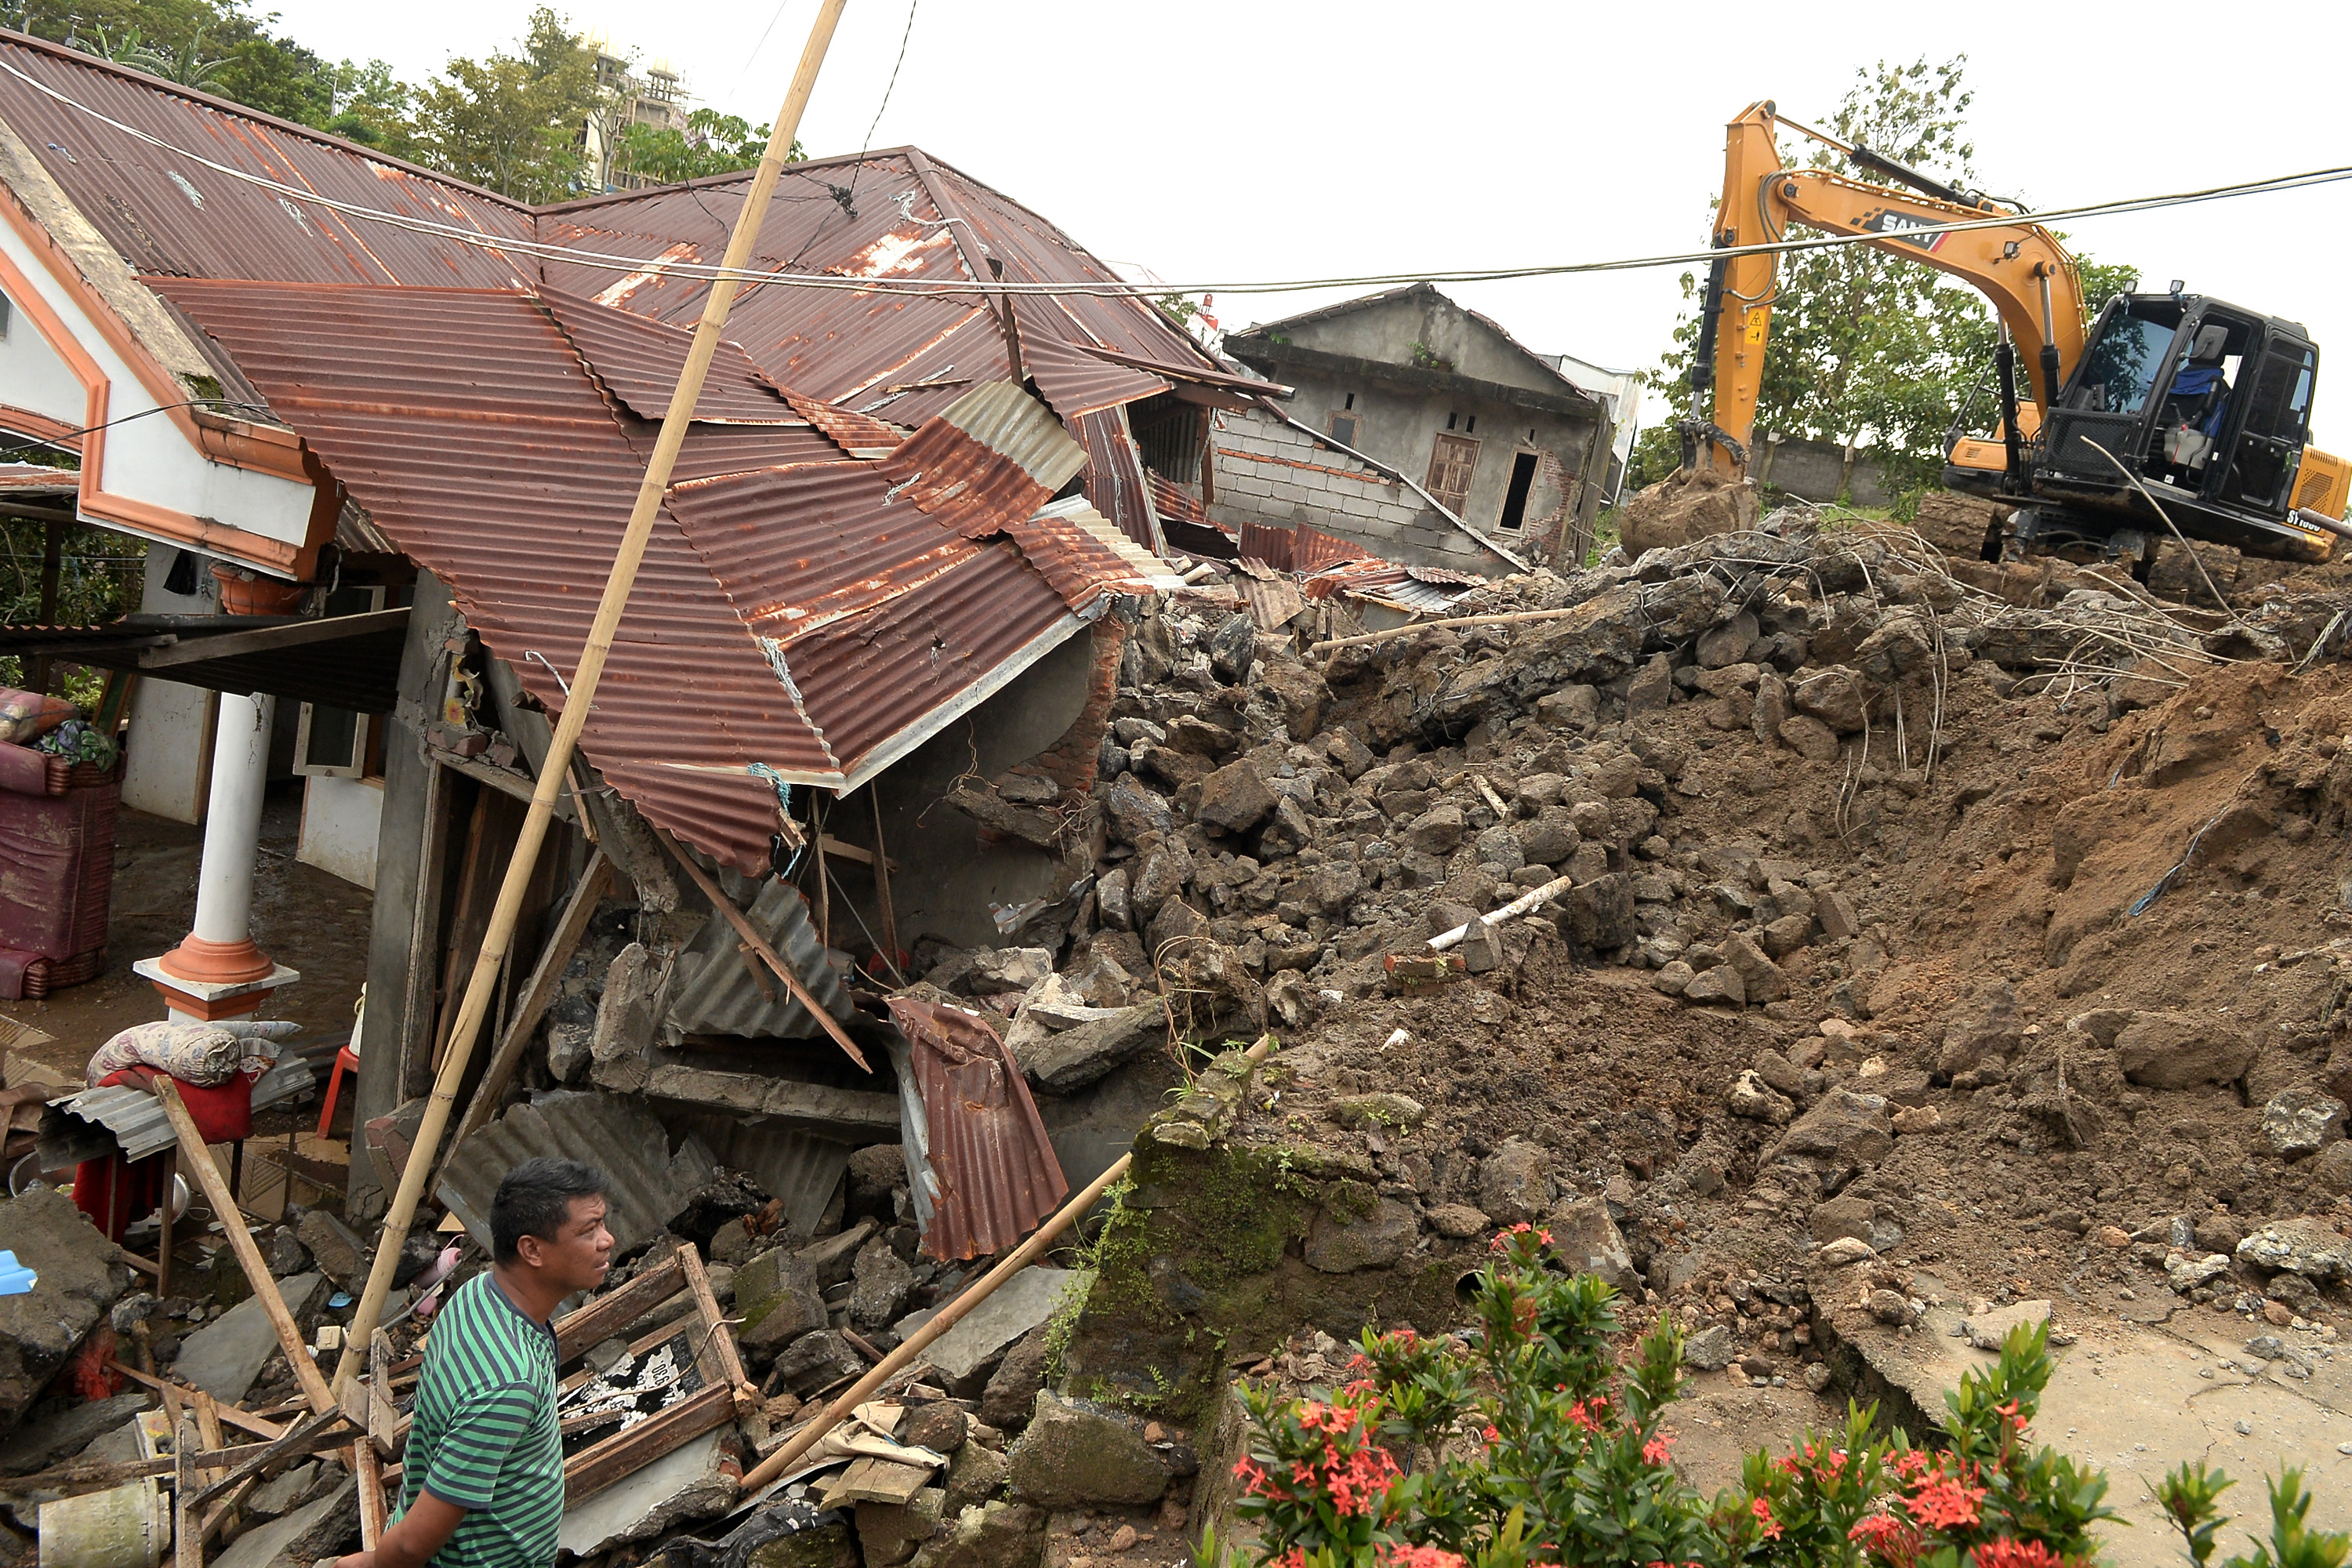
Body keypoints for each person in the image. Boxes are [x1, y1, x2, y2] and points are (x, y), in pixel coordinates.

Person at [336, 1159, 613, 1568]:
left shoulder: (477, 1295)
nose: (607, 1240)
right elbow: (413, 1546)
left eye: (603, 1224)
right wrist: (368, 1564)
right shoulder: (507, 1383)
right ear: (531, 1249)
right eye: (588, 1231)